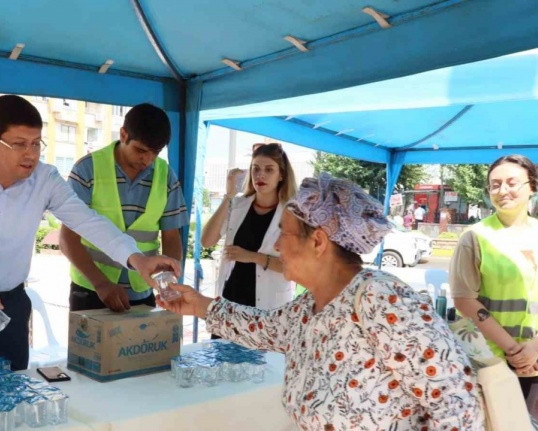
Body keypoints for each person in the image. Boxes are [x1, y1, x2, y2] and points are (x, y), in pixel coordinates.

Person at [158, 173, 483, 430]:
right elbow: (262, 327)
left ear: (317, 241)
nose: (275, 245)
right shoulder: (309, 306)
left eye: (282, 234)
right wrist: (199, 304)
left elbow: (457, 402)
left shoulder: (382, 299)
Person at [0, 95, 179, 371]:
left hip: (8, 305)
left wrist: (136, 259)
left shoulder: (45, 179)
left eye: (36, 143)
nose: (31, 154)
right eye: (19, 144)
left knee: (9, 400)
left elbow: (88, 221)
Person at [59, 103, 188, 312]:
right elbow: (67, 239)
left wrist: (168, 284)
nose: (147, 159)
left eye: (155, 152)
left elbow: (172, 237)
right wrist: (100, 283)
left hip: (142, 290)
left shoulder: (166, 176)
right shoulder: (87, 169)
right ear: (123, 134)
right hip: (90, 289)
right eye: (140, 150)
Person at [450, 154, 538, 400]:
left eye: (512, 183)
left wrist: (533, 349)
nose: (503, 190)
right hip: (489, 362)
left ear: (532, 185)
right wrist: (514, 351)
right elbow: (464, 300)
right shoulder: (475, 237)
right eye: (495, 184)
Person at [200, 143, 296, 322]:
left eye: (269, 170)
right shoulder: (238, 205)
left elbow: (297, 268)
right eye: (255, 169)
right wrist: (229, 195)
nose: (260, 175)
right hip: (230, 301)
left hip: (268, 308)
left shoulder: (293, 213)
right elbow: (206, 241)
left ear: (281, 175)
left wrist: (253, 257)